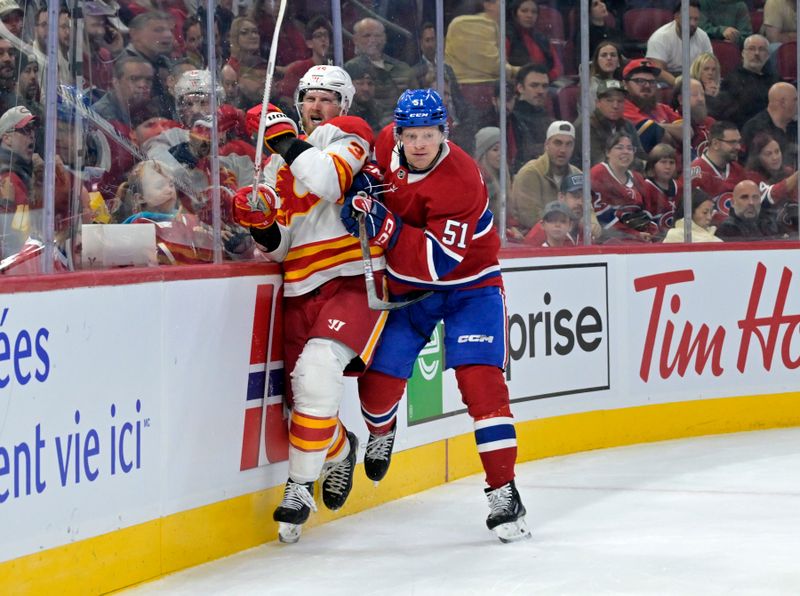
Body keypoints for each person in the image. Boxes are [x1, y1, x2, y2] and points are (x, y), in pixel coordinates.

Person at [340, 88, 530, 543]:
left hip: (470, 288)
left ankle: (504, 492)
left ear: (445, 133)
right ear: (399, 132)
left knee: (482, 386)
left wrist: (380, 224)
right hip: (412, 294)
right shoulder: (387, 142)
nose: (419, 143)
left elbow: (436, 263)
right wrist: (364, 180)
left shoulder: (462, 178)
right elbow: (364, 156)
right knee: (377, 387)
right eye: (411, 135)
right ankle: (380, 430)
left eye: (429, 134)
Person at [231, 65, 381, 544]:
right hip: (299, 287)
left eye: (327, 99)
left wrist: (281, 139)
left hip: (353, 278)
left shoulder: (351, 134)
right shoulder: (277, 163)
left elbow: (329, 180)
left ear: (344, 105)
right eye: (309, 99)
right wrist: (258, 222)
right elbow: (279, 247)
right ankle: (339, 452)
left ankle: (298, 488)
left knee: (317, 374)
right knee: (303, 408)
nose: (316, 108)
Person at [445, 0, 520, 130]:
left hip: (482, 91)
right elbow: (493, 65)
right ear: (488, 4)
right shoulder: (472, 24)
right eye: (500, 3)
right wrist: (521, 72)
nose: (505, 7)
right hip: (474, 92)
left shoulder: (492, 25)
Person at [510, 120, 581, 237]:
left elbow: (588, 210)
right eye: (558, 143)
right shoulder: (530, 173)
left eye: (569, 144)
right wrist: (565, 229)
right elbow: (530, 217)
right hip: (534, 242)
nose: (563, 150)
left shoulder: (577, 174)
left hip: (567, 237)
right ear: (546, 145)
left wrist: (592, 225)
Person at [344, 18, 417, 126]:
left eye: (377, 35)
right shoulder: (349, 69)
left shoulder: (401, 68)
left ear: (384, 38)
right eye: (367, 36)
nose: (373, 40)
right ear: (355, 39)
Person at [590, 131, 657, 242]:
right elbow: (603, 219)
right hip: (607, 239)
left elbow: (646, 212)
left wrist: (651, 231)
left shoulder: (637, 178)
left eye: (630, 148)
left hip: (637, 237)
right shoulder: (598, 173)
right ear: (607, 152)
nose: (625, 152)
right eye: (619, 148)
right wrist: (634, 234)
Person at [574, 78, 646, 168]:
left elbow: (641, 155)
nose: (615, 106)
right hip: (591, 178)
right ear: (598, 103)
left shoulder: (627, 125)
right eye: (609, 100)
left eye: (619, 101)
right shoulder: (585, 126)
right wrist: (637, 164)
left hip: (625, 175)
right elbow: (600, 163)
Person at [687, 120, 748, 225]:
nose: (738, 147)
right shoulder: (695, 173)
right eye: (732, 142)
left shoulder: (739, 170)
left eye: (739, 142)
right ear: (715, 143)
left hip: (737, 232)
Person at [645, 0, 713, 87]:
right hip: (667, 82)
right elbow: (657, 71)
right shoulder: (659, 37)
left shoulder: (703, 37)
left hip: (695, 80)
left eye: (696, 19)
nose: (692, 23)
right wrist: (682, 85)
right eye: (688, 18)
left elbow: (709, 66)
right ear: (676, 17)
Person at [622, 58, 682, 153]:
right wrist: (671, 131)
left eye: (652, 82)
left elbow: (687, 132)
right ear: (625, 84)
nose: (647, 86)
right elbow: (656, 134)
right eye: (640, 81)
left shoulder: (662, 108)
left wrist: (658, 126)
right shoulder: (622, 108)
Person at [716, 34, 776, 128]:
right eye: (752, 48)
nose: (757, 53)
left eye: (761, 49)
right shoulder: (732, 80)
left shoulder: (774, 80)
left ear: (768, 55)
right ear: (743, 53)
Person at [523, 173, 601, 245]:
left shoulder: (586, 231)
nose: (580, 203)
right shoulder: (543, 231)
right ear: (561, 197)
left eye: (585, 198)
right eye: (575, 196)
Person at [509, 63, 553, 173]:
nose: (541, 91)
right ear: (520, 88)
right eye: (534, 85)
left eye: (544, 86)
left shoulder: (551, 121)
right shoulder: (512, 120)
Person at [741, 82, 798, 167]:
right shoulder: (755, 128)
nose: (798, 104)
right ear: (783, 103)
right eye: (795, 100)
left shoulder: (794, 127)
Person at [506, 0, 562, 80]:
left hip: (546, 83)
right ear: (514, 13)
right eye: (524, 11)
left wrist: (545, 79)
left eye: (534, 12)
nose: (529, 15)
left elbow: (558, 67)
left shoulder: (541, 38)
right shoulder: (507, 35)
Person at [716, 179, 782, 241]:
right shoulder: (727, 229)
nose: (751, 202)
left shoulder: (770, 224)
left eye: (755, 197)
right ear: (733, 203)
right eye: (744, 197)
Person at [473, 126, 509, 227]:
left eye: (503, 149)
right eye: (495, 149)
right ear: (483, 154)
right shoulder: (478, 181)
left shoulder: (502, 177)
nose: (501, 154)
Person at [641, 143, 678, 234]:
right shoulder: (646, 188)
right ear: (652, 165)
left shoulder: (679, 186)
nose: (668, 167)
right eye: (663, 162)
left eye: (671, 162)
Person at [586, 41, 624, 114]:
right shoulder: (591, 86)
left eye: (613, 55)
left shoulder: (622, 83)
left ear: (619, 61)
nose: (609, 58)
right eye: (604, 55)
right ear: (597, 61)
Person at [689, 52, 722, 117]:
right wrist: (708, 96)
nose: (710, 73)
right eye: (706, 69)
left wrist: (718, 95)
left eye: (713, 69)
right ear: (697, 70)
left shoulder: (722, 87)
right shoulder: (690, 87)